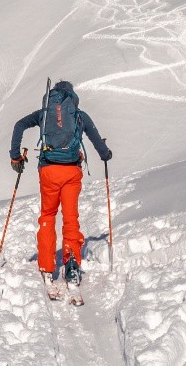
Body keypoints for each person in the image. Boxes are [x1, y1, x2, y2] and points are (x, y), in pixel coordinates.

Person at [9, 81, 113, 292]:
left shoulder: (44, 113)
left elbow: (19, 125)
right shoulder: (79, 116)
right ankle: (72, 263)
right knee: (70, 217)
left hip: (48, 171)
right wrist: (105, 154)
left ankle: (47, 266)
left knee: (48, 215)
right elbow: (96, 140)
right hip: (71, 172)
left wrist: (15, 156)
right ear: (72, 97)